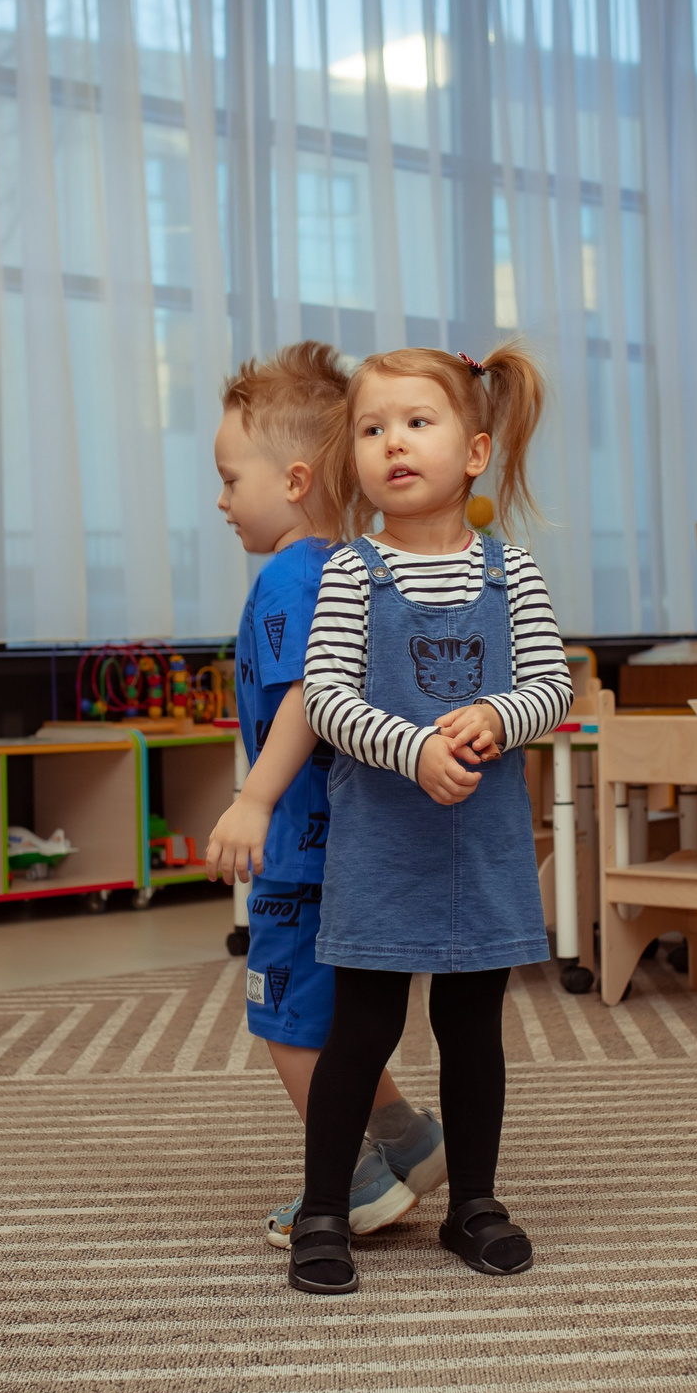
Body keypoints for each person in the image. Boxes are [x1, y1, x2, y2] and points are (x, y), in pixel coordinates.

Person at [286, 345, 573, 1296]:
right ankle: (325, 1207)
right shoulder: (350, 572)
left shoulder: (512, 571)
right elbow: (325, 698)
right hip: (381, 845)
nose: (393, 443)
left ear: (476, 451)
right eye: (372, 429)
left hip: (481, 848)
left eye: (417, 423)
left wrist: (497, 713)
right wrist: (413, 749)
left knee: (473, 1026)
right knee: (362, 1028)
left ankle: (474, 1204)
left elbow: (551, 686)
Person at [201, 343, 448, 1250]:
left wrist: (254, 799)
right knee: (328, 1013)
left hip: (304, 849)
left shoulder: (289, 578)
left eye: (231, 479)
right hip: (346, 845)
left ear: (296, 479)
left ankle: (352, 1180)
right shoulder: (349, 568)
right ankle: (410, 1140)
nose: (222, 500)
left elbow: (310, 694)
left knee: (284, 1018)